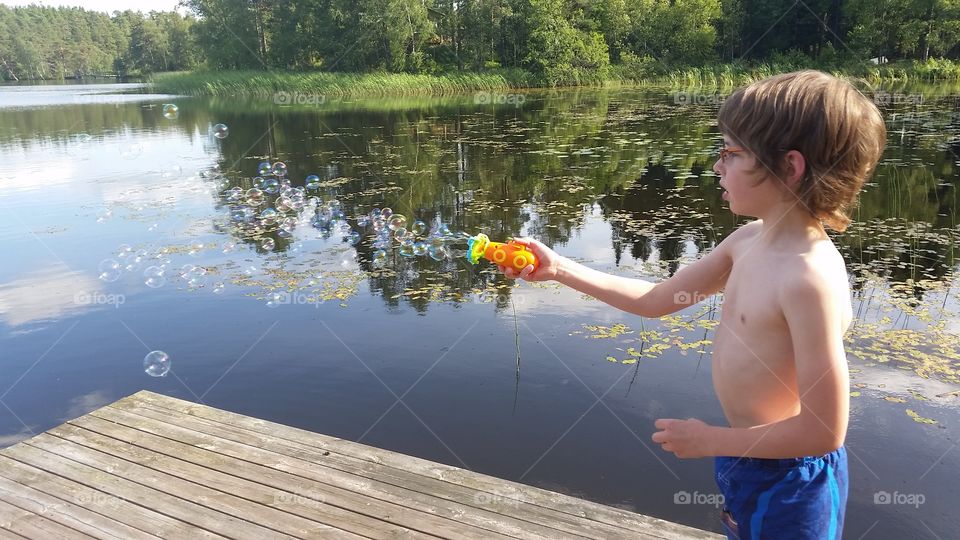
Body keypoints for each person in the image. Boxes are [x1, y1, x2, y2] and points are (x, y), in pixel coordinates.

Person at [499, 70, 886, 539]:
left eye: (731, 154)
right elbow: (658, 299)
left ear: (789, 167)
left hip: (794, 480)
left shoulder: (809, 279)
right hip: (748, 457)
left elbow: (825, 431)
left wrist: (711, 440)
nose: (717, 166)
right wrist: (559, 268)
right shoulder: (747, 241)